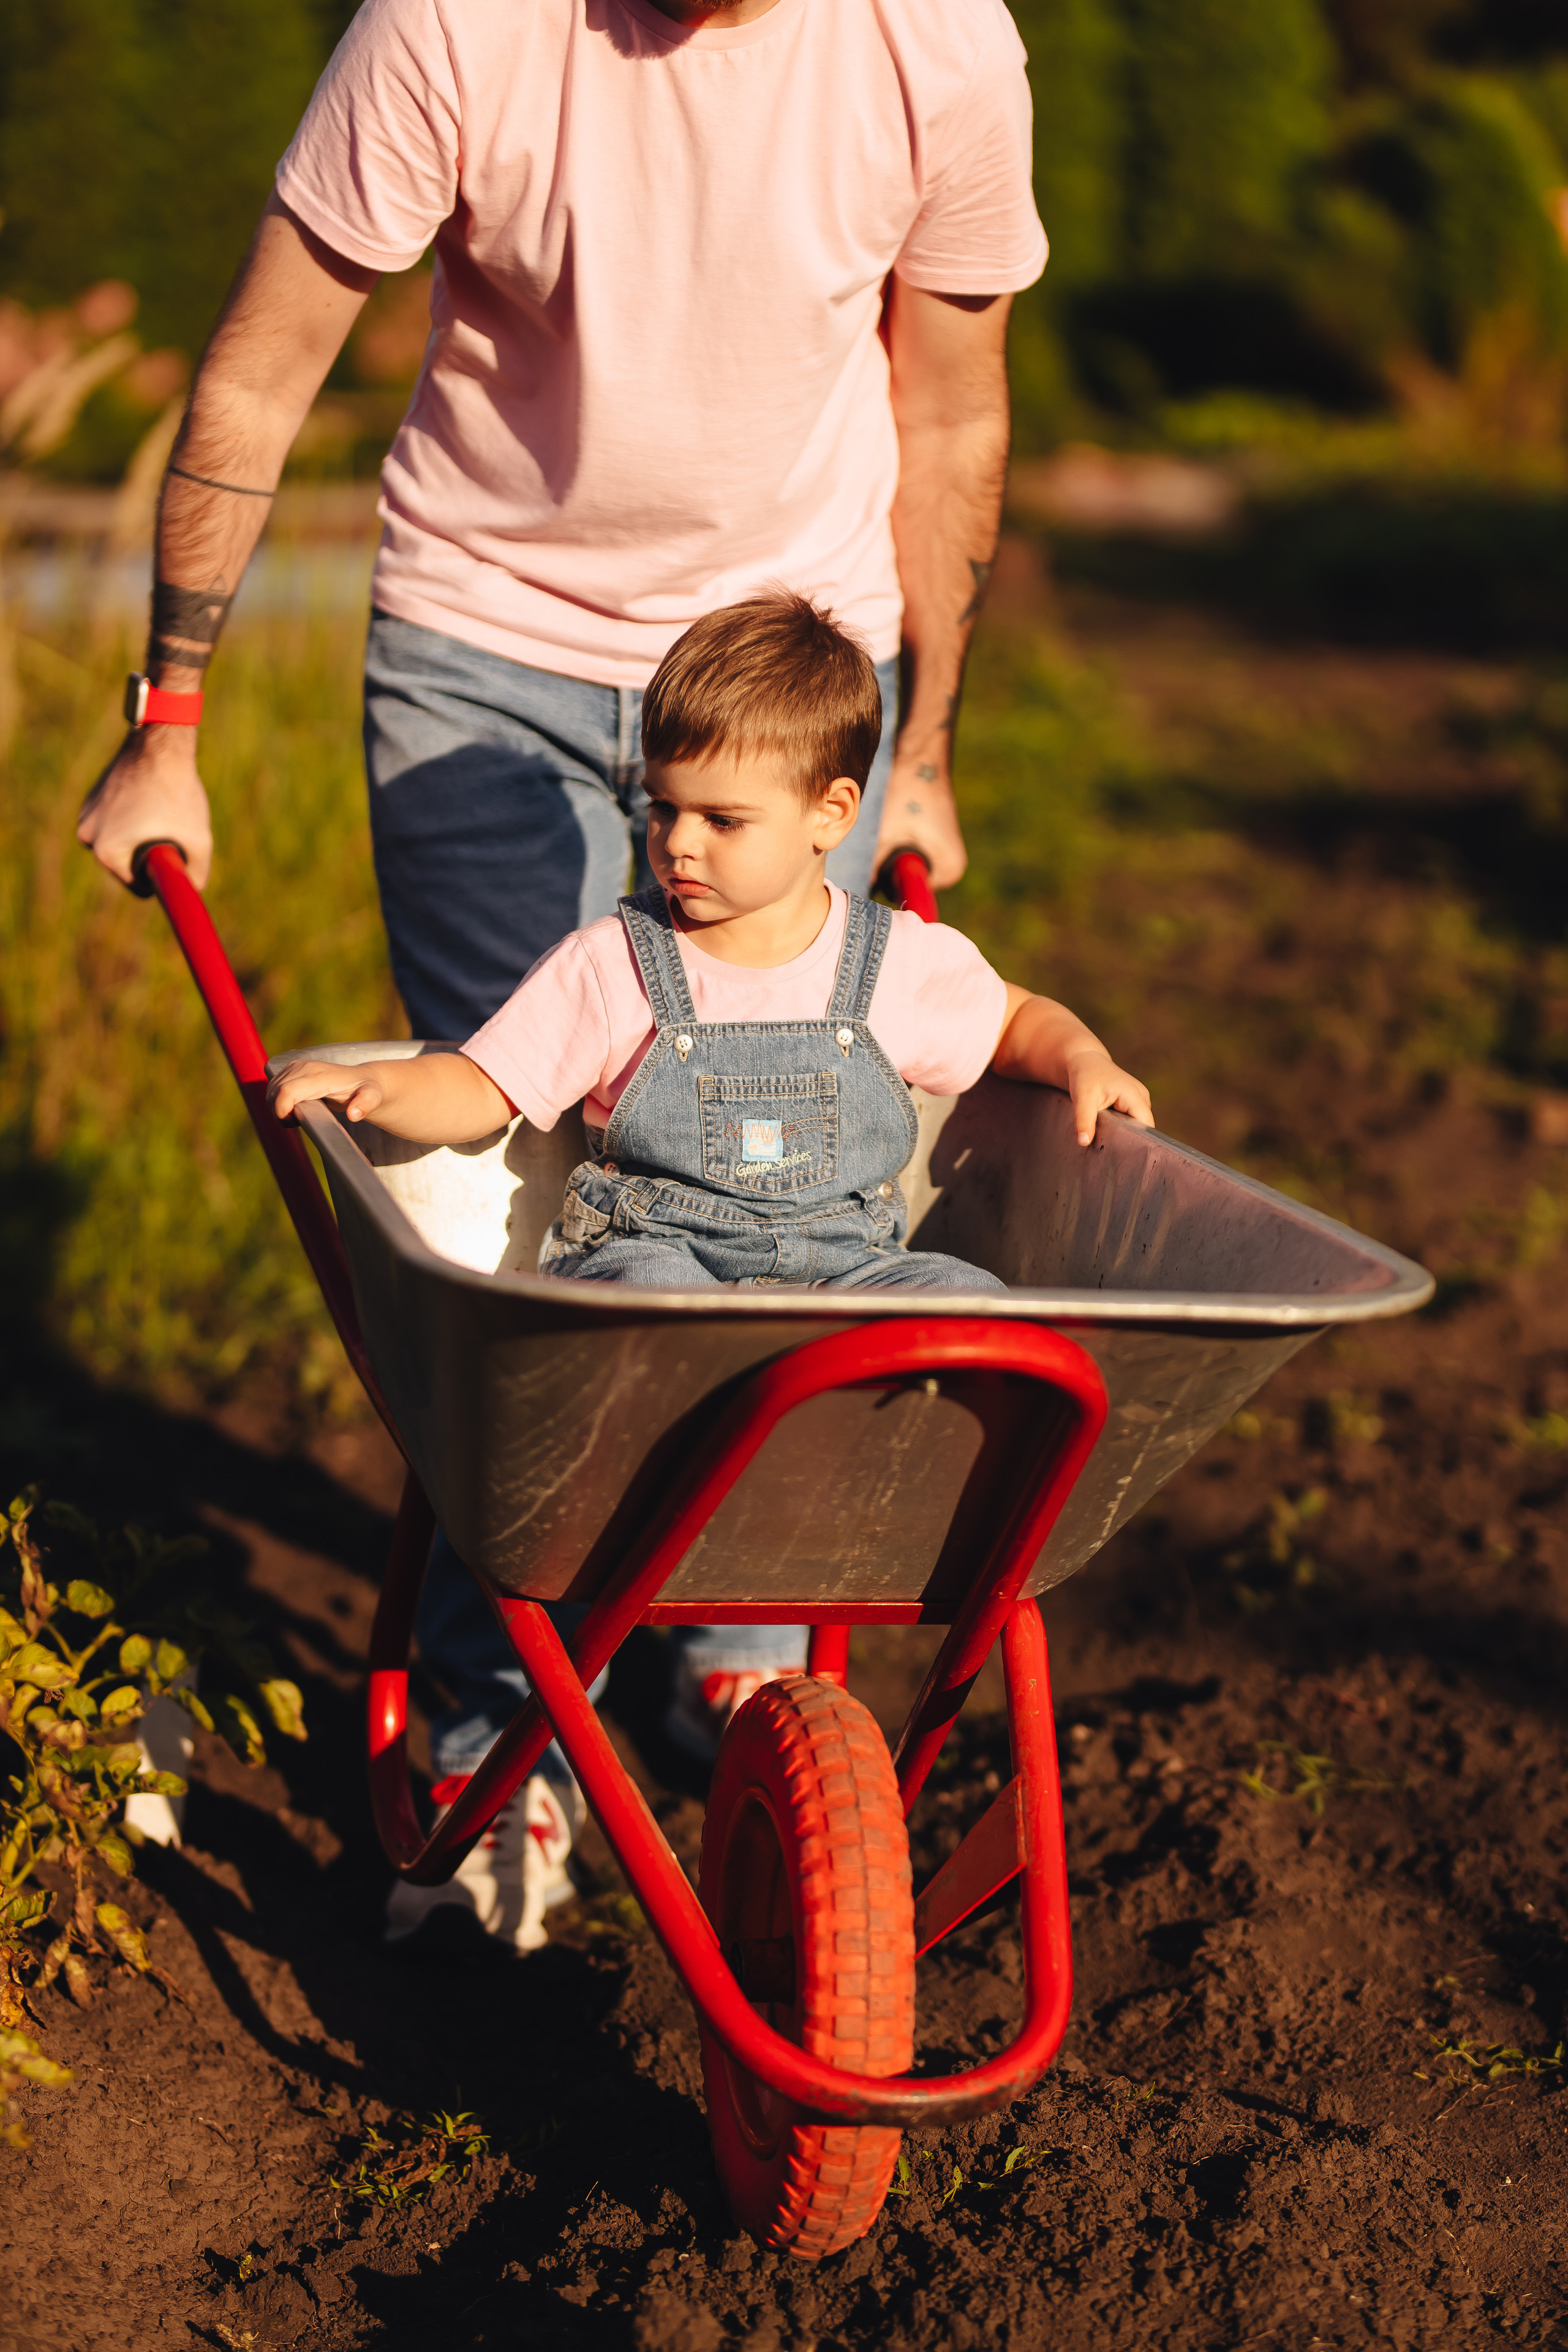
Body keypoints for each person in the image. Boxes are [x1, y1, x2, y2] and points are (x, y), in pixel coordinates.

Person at [78, 0, 1052, 1947]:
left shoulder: (938, 40)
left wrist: (925, 741)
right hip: (487, 640)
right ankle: (494, 1720)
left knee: (799, 1169)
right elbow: (270, 356)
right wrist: (167, 712)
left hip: (791, 663)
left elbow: (949, 411)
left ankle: (742, 1655)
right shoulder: (457, 21)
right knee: (530, 1207)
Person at [275, 595, 1152, 1942]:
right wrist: (382, 1091)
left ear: (831, 813)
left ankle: (869, 1540)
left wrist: (1081, 1056)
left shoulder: (896, 965)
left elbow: (1015, 1021)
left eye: (721, 820)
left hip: (837, 1278)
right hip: (661, 1266)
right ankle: (584, 1656)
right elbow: (485, 1083)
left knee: (973, 1316)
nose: (677, 844)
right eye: (663, 810)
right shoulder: (613, 966)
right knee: (627, 1327)